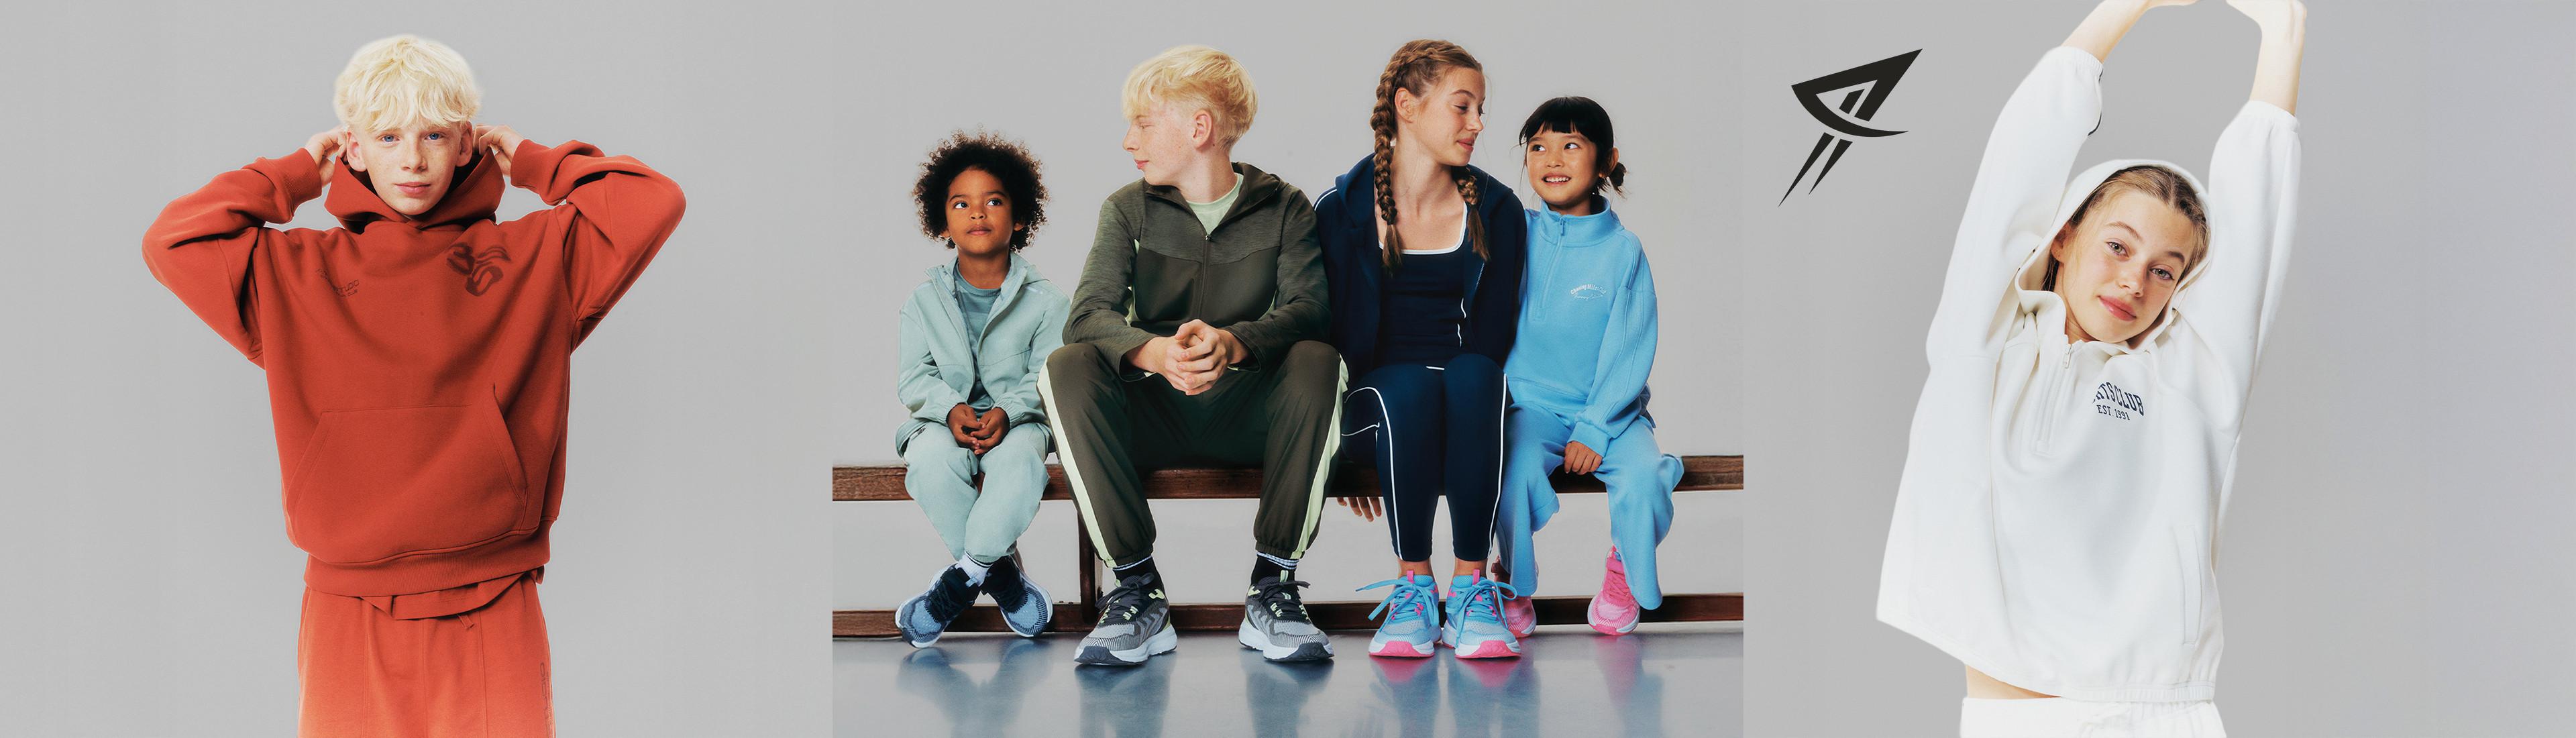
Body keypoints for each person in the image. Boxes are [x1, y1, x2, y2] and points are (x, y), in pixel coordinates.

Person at [141, 34, 685, 735]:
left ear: (466, 145)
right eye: (388, 136)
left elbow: (652, 199)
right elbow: (172, 240)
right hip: (348, 606)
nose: (412, 159)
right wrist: (295, 175)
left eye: (434, 134)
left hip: (492, 596)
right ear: (353, 148)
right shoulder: (294, 272)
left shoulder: (536, 258)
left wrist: (532, 160)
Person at [1874, 1, 2304, 735]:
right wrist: (2124, 7)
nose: (2136, 279)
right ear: (2065, 236)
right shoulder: (1985, 345)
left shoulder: (2188, 382)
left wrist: (2284, 30)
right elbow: (2017, 164)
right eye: (2118, 246)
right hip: (2016, 718)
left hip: (2160, 711)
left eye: (2166, 270)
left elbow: (2255, 226)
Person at [1040, 44, 1343, 666]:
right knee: (1065, 365)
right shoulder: (1127, 209)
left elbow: (1311, 309)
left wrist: (1234, 342)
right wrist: (1152, 352)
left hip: (1250, 418)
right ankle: (1136, 589)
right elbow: (1087, 316)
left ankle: (1274, 587)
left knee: (1319, 358)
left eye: (1143, 124)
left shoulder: (1285, 207)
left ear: (1199, 128)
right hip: (1151, 414)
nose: (1129, 141)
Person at [1314, 39, 1531, 660]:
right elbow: (1324, 336)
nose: (1478, 124)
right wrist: (1342, 444)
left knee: (1476, 375)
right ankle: (1413, 587)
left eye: (1481, 109)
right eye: (1462, 107)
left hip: (1468, 404)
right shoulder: (1340, 211)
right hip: (1375, 408)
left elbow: (1496, 334)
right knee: (1407, 388)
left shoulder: (1497, 209)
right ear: (1407, 107)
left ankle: (1470, 590)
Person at [1494, 96, 1686, 639]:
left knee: (1646, 479)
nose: (1552, 159)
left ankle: (1624, 568)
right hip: (1531, 408)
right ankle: (1513, 579)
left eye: (1571, 145)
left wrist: (1596, 427)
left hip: (1611, 412)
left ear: (1606, 162)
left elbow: (1631, 348)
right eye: (1538, 147)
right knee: (1509, 473)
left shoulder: (1623, 251)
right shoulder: (1514, 232)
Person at [892, 131, 1071, 647]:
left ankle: (963, 578)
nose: (977, 212)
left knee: (1018, 466)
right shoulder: (922, 301)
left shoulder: (1047, 302)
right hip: (940, 423)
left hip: (1020, 423)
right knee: (930, 463)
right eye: (961, 204)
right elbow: (914, 376)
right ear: (942, 222)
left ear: (1019, 218)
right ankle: (1003, 579)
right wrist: (950, 408)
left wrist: (1009, 412)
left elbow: (1049, 374)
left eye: (993, 201)